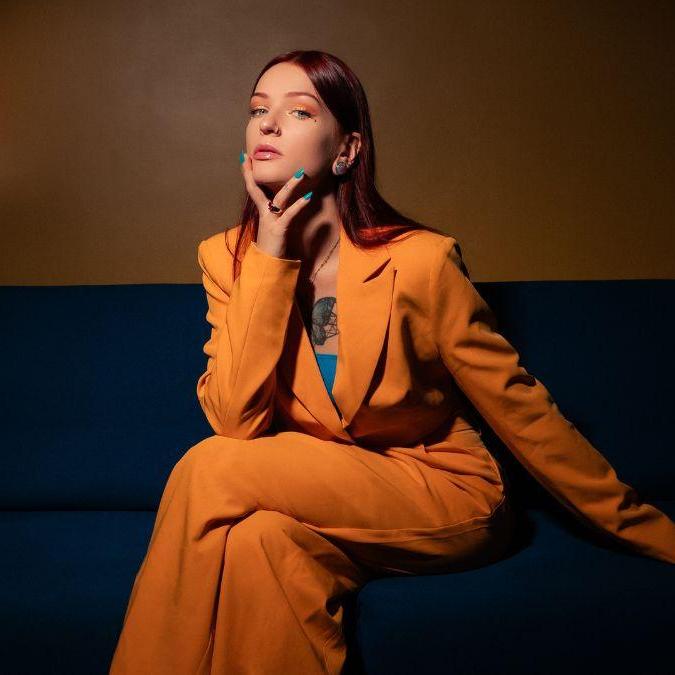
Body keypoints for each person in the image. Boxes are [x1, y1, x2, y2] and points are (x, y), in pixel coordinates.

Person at [109, 50, 675, 675]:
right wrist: (271, 254)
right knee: (256, 543)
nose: (267, 124)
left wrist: (645, 528)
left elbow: (522, 409)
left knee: (209, 466)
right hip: (317, 500)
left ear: (347, 150)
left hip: (439, 490)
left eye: (299, 112)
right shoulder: (227, 259)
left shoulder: (422, 262)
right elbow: (236, 419)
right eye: (257, 109)